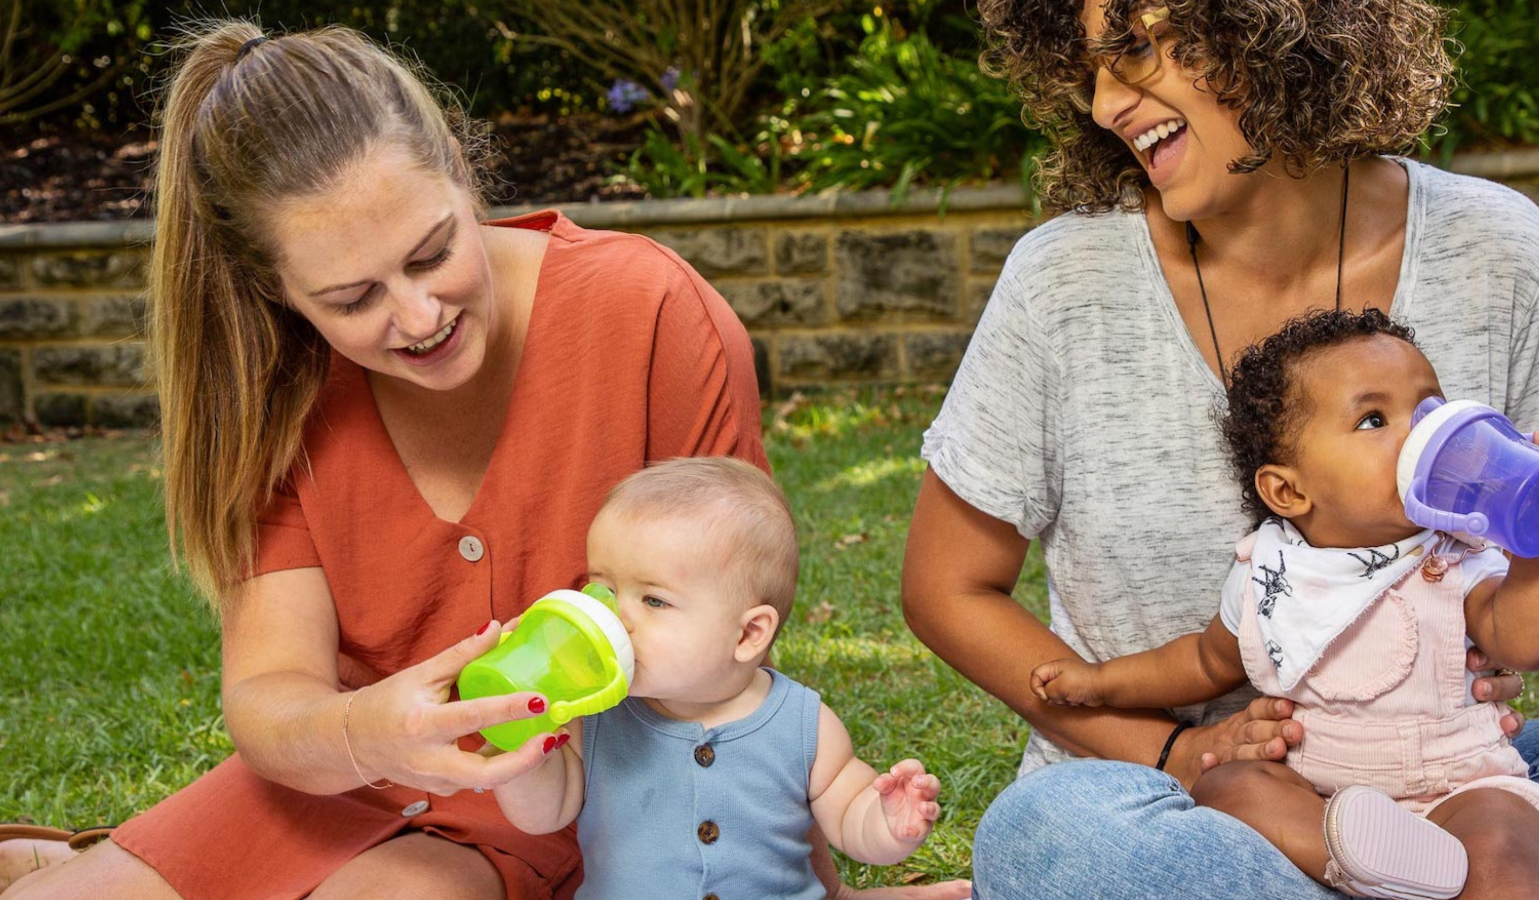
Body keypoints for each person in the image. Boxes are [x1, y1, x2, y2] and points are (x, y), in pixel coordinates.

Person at [0, 20, 967, 900]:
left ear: (462, 172)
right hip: (335, 784)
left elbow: (726, 651)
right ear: (278, 290)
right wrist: (368, 732)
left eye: (431, 254)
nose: (417, 318)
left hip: (566, 812)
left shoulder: (651, 318)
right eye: (351, 299)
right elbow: (270, 698)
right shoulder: (280, 393)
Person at [900, 0, 1539, 897]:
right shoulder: (1064, 281)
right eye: (1094, 64)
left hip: (1445, 782)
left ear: (1275, 24)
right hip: (1176, 808)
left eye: (1139, 49)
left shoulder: (1496, 247)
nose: (1105, 102)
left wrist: (1486, 625)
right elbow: (947, 588)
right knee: (1050, 828)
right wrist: (1178, 749)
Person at [1032, 309, 1539, 900]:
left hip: (1460, 786)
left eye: (1429, 408)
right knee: (1229, 787)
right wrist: (1101, 683)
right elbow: (1202, 664)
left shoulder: (1456, 553)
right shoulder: (1270, 572)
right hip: (1318, 795)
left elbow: (1528, 642)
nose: (1421, 434)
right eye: (1374, 419)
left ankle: (1424, 874)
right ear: (1288, 490)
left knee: (1501, 848)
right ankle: (1359, 863)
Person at [493, 457, 947, 899]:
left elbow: (850, 816)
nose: (616, 616)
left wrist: (890, 824)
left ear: (749, 633)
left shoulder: (804, 725)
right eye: (605, 590)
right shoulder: (595, 715)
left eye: (653, 601)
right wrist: (521, 744)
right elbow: (544, 813)